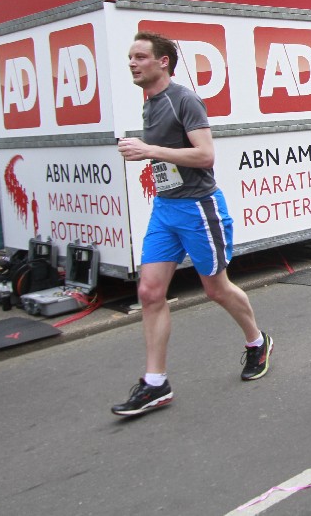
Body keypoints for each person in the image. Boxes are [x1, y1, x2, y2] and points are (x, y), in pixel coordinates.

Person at [111, 31, 271, 417]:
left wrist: (149, 150)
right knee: (150, 292)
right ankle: (155, 383)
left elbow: (205, 155)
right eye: (130, 57)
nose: (132, 63)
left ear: (163, 61)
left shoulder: (184, 99)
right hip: (165, 208)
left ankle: (257, 341)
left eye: (140, 57)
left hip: (199, 208)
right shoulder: (150, 102)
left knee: (216, 289)